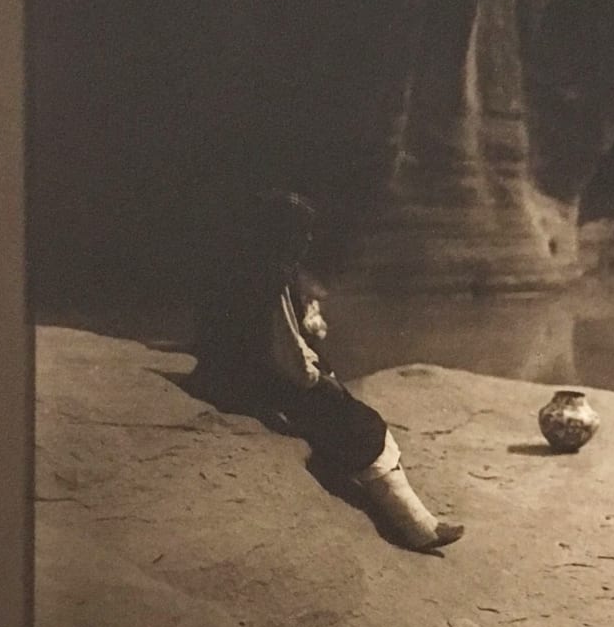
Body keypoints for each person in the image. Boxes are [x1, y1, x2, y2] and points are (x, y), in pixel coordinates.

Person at [191, 190, 464, 552]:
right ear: (282, 235)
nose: (305, 242)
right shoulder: (271, 280)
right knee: (360, 422)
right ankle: (417, 526)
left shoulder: (242, 267)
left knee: (342, 410)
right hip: (253, 384)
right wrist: (323, 381)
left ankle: (416, 519)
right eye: (300, 233)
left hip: (226, 374)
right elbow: (288, 358)